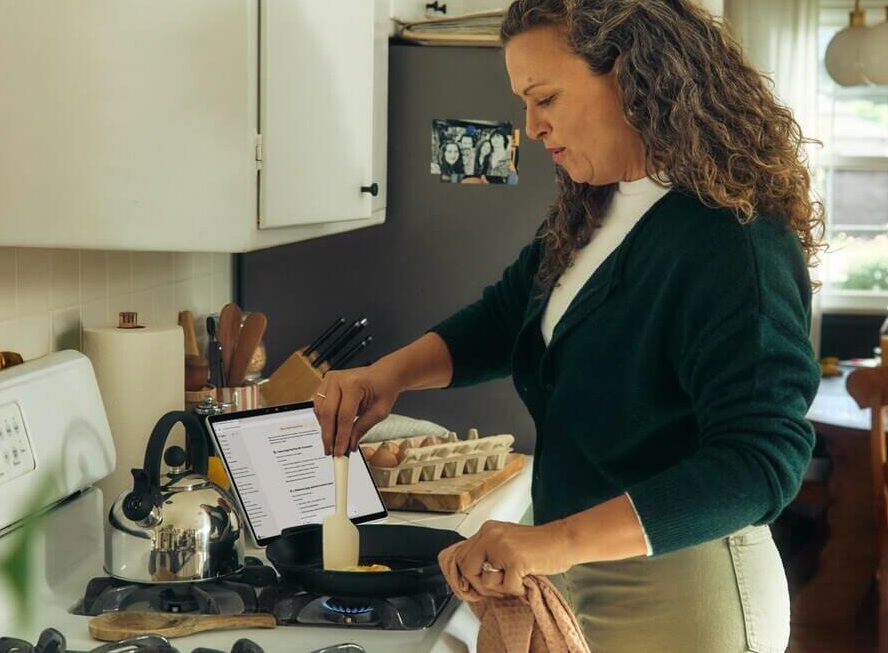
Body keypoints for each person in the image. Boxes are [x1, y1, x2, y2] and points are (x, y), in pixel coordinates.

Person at [313, 1, 824, 651]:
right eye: (525, 104)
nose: (531, 126)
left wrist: (553, 542)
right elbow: (505, 318)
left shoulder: (733, 240)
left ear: (635, 77)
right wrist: (388, 376)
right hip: (572, 567)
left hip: (684, 589)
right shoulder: (598, 205)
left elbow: (760, 461)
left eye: (545, 97)